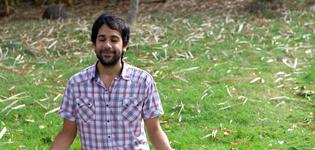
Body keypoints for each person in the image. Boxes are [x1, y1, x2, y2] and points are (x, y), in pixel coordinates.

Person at [51, 13, 171, 149]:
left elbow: (154, 131)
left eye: (114, 40)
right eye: (102, 39)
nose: (107, 45)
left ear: (125, 45)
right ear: (94, 45)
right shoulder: (76, 84)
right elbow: (67, 133)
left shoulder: (142, 82)